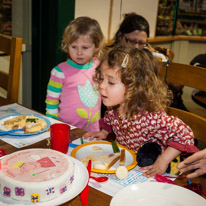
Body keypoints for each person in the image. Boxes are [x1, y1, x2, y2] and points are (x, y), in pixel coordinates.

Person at [83, 46, 198, 178]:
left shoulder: (150, 117)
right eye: (101, 78)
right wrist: (103, 132)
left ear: (134, 87)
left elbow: (184, 134)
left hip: (150, 170)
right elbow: (111, 119)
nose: (102, 85)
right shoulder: (114, 106)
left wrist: (164, 160)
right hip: (126, 162)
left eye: (111, 82)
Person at [101, 12, 186, 117]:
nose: (136, 47)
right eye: (131, 41)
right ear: (120, 36)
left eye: (141, 43)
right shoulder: (109, 59)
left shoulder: (146, 60)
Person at [45, 16, 104, 131]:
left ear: (96, 47)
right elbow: (51, 101)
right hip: (66, 129)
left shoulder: (99, 67)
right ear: (67, 45)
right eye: (74, 47)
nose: (79, 52)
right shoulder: (59, 72)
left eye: (85, 47)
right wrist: (53, 124)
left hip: (93, 129)